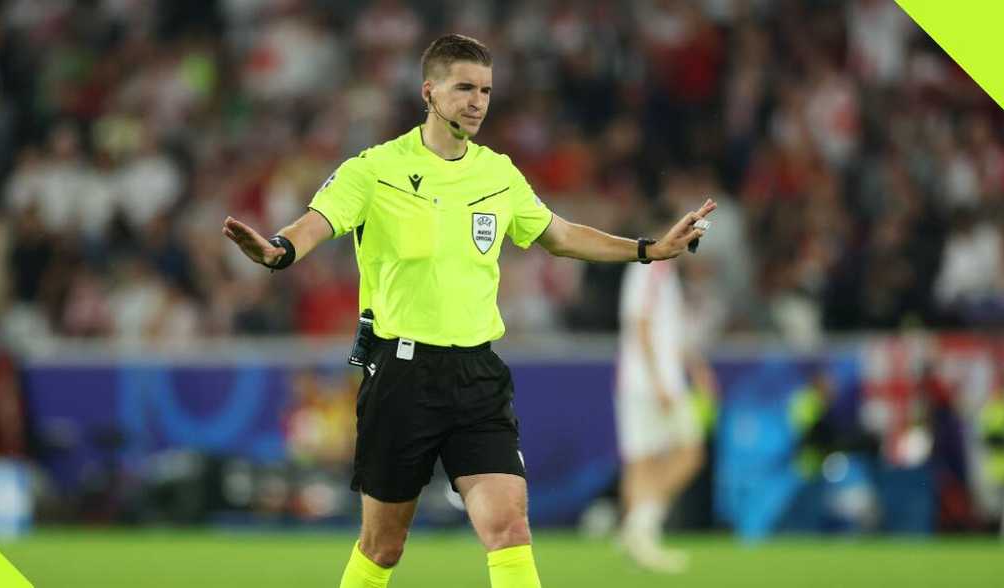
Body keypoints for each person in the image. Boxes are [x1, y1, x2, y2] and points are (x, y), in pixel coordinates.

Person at [222, 34, 715, 588]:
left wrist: (648, 249)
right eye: (464, 88)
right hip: (401, 373)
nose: (478, 101)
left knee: (508, 526)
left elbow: (561, 234)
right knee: (382, 547)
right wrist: (279, 251)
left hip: (477, 374)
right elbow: (316, 222)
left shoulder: (497, 174)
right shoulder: (374, 169)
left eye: (485, 90)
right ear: (429, 91)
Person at [614, 226, 717, 573]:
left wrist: (697, 367)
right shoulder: (647, 267)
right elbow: (639, 323)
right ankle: (641, 533)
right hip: (648, 383)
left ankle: (638, 530)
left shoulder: (666, 272)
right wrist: (659, 380)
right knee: (669, 455)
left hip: (656, 381)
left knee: (668, 456)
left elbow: (670, 331)